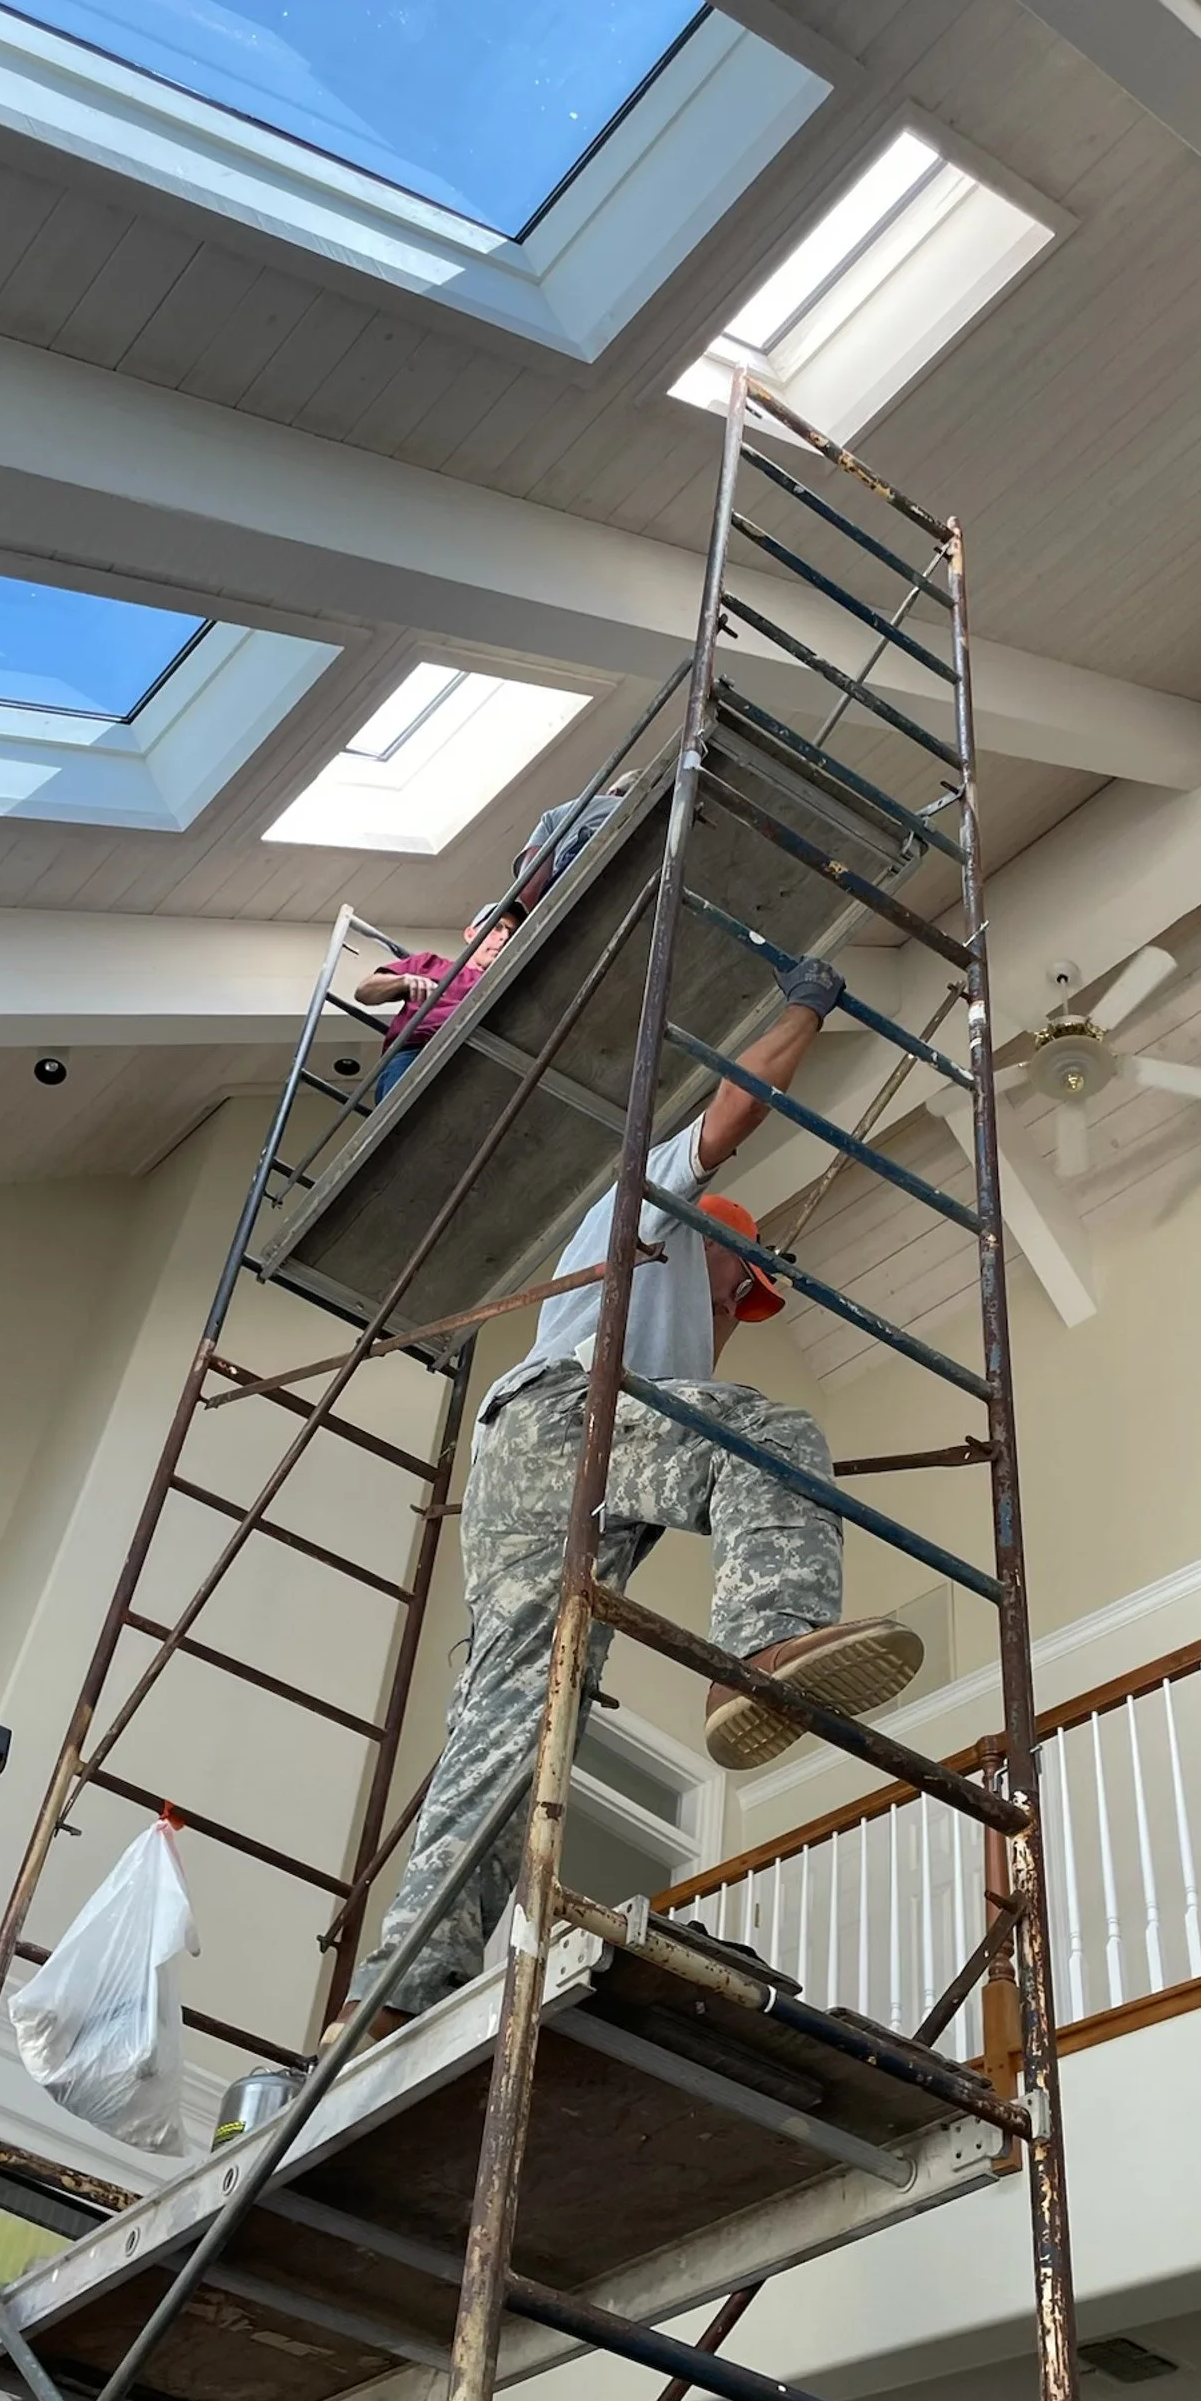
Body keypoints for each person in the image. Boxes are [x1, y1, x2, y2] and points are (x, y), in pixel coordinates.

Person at [330, 947, 922, 2043]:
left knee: (519, 1720)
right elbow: (737, 1107)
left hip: (538, 1469)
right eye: (740, 1280)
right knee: (771, 1432)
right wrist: (805, 1005)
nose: (739, 1298)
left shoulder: (683, 1320)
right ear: (717, 1240)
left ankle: (407, 1980)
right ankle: (763, 1648)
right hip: (567, 1418)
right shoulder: (652, 1202)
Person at [354, 908, 516, 1103]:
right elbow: (364, 993)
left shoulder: (510, 984)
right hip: (417, 1055)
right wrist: (403, 981)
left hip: (480, 1058)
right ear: (470, 934)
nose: (504, 937)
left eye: (512, 933)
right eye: (496, 926)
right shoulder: (430, 964)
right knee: (403, 1125)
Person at [511, 767, 641, 911]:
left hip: (580, 868)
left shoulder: (564, 813)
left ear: (613, 792)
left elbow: (531, 888)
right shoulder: (651, 813)